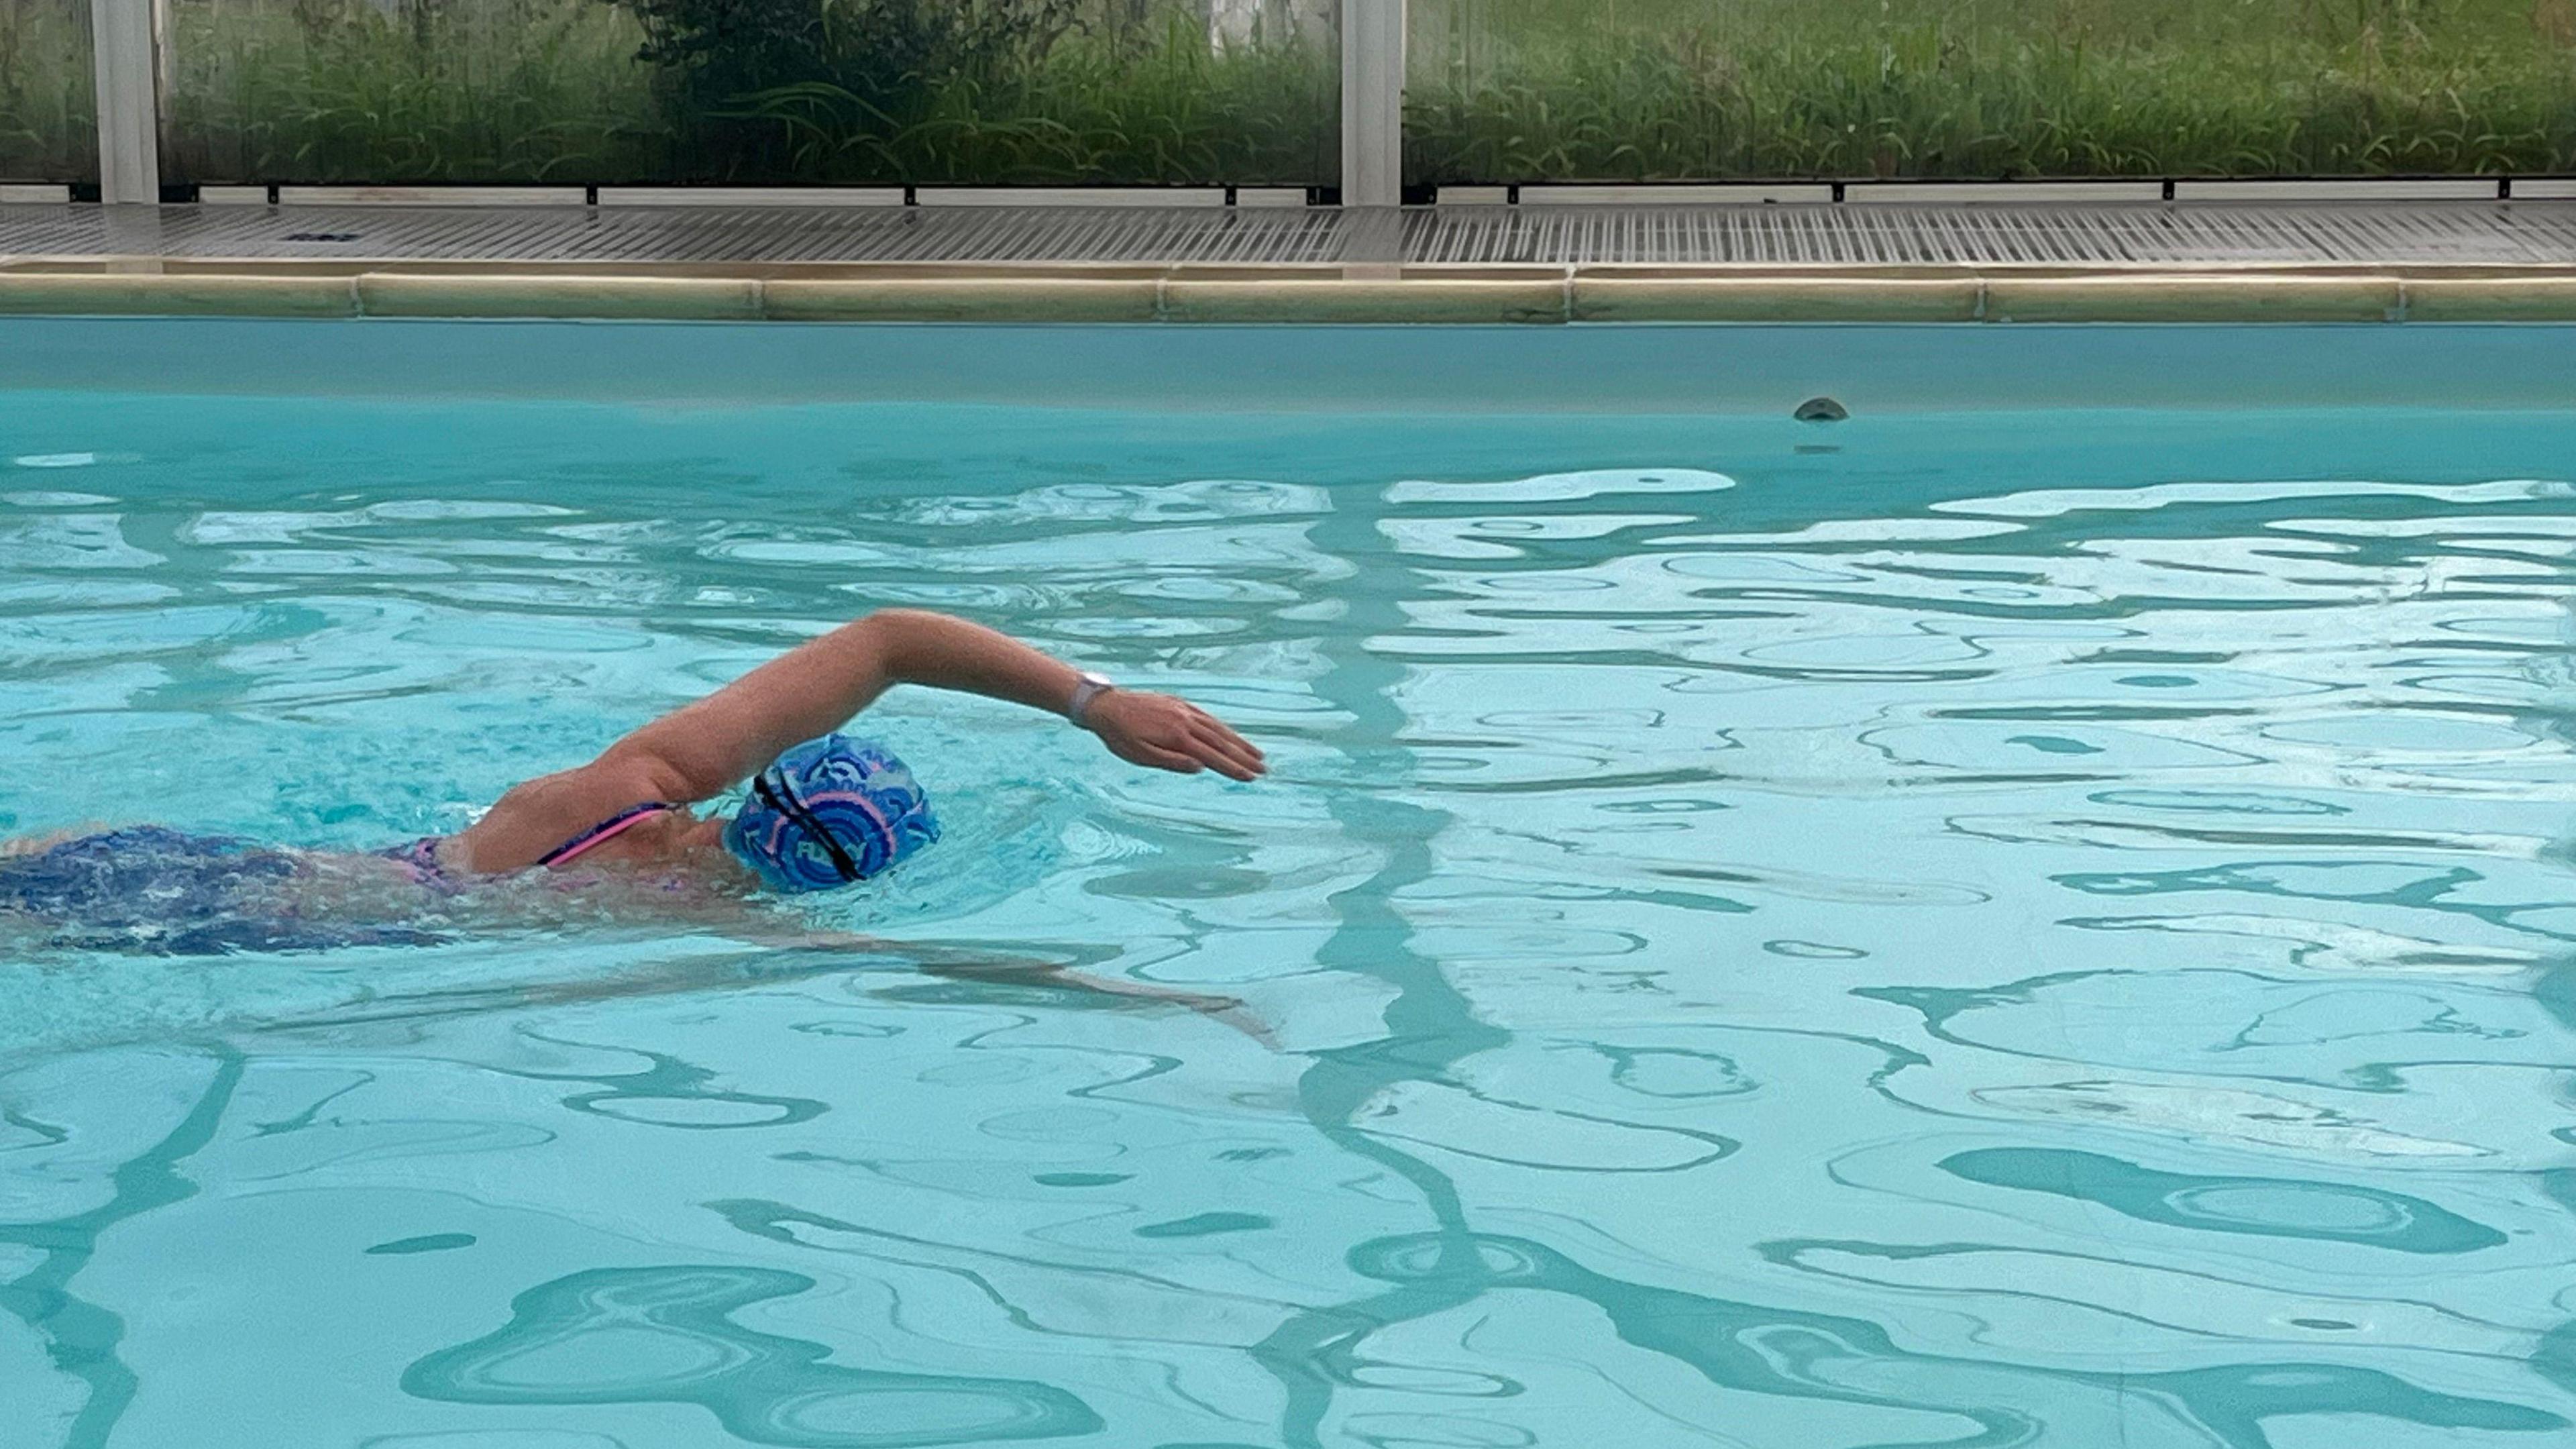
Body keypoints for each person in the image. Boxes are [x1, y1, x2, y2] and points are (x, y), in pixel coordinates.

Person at [1, 609, 1266, 961]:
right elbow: (960, 972)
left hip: (196, 858)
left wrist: (1097, 703)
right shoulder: (726, 921)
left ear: (764, 790)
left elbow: (886, 642)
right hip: (213, 930)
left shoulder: (627, 789)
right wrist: (1150, 1004)